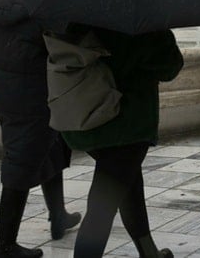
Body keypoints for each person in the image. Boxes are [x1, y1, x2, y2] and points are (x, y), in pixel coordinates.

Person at [53, 26, 184, 258]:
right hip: (125, 126)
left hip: (89, 116)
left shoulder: (79, 13)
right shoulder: (143, 22)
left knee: (129, 183)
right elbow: (170, 66)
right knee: (103, 205)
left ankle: (149, 251)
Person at [0, 0, 81, 258]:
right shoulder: (43, 12)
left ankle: (58, 215)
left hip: (7, 92)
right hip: (34, 96)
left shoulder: (0, 6)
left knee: (50, 149)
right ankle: (5, 246)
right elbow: (65, 48)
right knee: (21, 163)